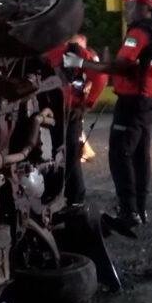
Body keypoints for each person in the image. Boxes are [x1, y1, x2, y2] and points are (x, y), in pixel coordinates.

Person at [63, 0, 152, 237]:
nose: (126, 10)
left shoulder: (138, 33)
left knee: (120, 155)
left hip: (133, 102)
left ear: (137, 3)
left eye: (127, 4)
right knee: (140, 156)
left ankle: (127, 213)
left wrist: (81, 62)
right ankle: (139, 210)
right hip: (148, 101)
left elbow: (119, 67)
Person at [46, 34, 107, 210]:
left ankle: (74, 198)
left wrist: (88, 103)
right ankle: (63, 195)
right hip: (54, 112)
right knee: (57, 154)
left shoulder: (69, 52)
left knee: (68, 154)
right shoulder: (44, 53)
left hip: (65, 111)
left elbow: (100, 76)